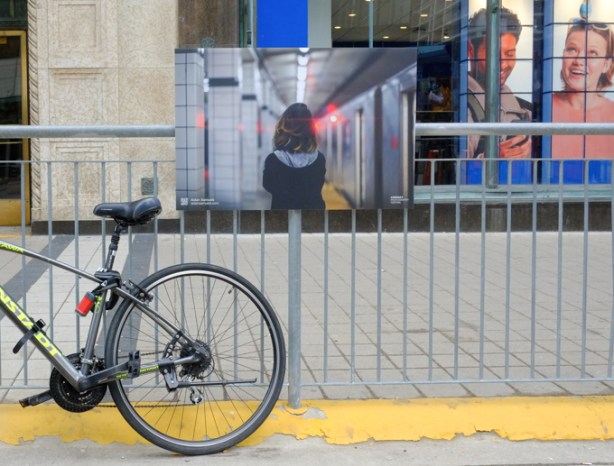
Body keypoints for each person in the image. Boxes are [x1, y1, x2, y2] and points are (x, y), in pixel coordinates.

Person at [467, 7, 532, 159]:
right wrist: (493, 161)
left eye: (510, 54)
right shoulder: (462, 108)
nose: (503, 65)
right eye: (494, 54)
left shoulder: (524, 110)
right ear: (471, 50)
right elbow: (453, 174)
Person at [552, 19, 614, 159]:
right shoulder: (540, 109)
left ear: (606, 65)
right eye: (572, 49)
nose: (579, 61)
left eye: (592, 53)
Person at [262, 103, 326, 210]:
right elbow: (317, 187)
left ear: (283, 127)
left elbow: (268, 185)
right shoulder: (319, 159)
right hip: (314, 220)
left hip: (282, 221)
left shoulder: (273, 160)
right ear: (310, 129)